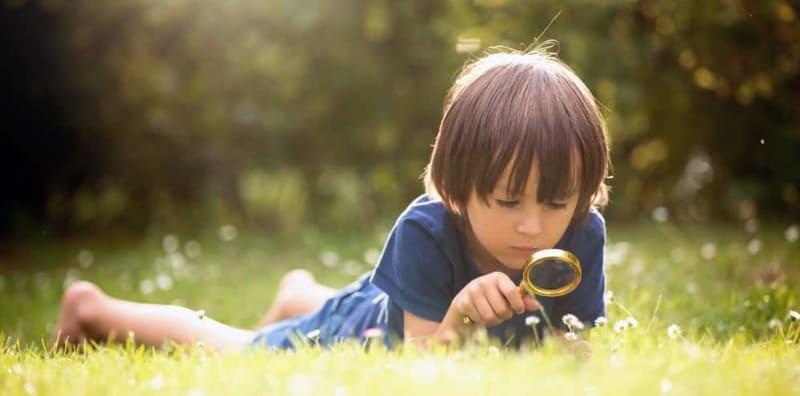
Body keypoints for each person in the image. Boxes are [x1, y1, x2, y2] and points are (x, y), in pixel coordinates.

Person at [53, 42, 610, 352]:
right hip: (368, 333)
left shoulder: (582, 234)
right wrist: (460, 319)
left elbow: (573, 343)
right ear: (459, 189)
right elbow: (421, 373)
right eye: (508, 202)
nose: (533, 228)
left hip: (384, 300)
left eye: (556, 203)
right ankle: (94, 310)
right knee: (243, 352)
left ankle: (300, 292)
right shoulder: (428, 229)